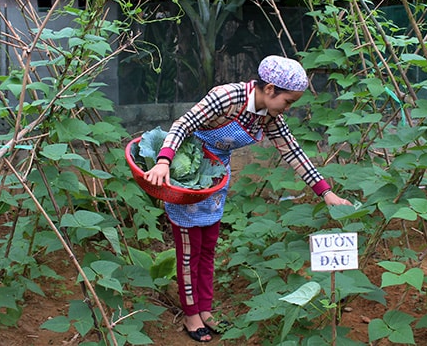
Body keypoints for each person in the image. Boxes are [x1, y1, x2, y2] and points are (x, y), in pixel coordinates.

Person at [143, 55, 352, 342]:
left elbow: (292, 151)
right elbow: (182, 124)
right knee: (189, 252)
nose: (288, 109)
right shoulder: (227, 97)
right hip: (189, 178)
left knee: (208, 249)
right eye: (288, 102)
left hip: (216, 180)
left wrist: (325, 192)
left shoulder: (268, 115)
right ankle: (191, 314)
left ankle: (206, 309)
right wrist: (164, 161)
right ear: (269, 90)